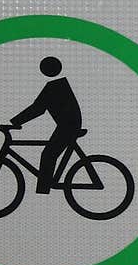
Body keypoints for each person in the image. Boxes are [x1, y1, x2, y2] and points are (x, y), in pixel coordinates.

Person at [10, 57, 83, 193]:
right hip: (68, 125)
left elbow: (38, 109)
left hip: (68, 126)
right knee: (50, 153)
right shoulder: (58, 84)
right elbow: (38, 108)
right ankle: (45, 186)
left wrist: (15, 122)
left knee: (48, 155)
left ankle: (43, 190)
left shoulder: (54, 86)